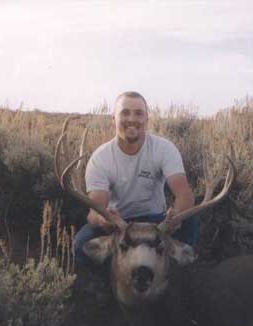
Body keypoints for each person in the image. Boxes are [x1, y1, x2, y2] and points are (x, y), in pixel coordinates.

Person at [74, 91, 198, 265]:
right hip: (120, 224)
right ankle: (109, 282)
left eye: (139, 113)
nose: (132, 119)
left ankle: (176, 277)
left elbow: (185, 196)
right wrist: (104, 220)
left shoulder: (164, 149)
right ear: (113, 119)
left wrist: (173, 218)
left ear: (147, 119)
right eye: (124, 113)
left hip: (157, 222)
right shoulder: (101, 158)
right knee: (81, 245)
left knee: (189, 219)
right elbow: (95, 211)